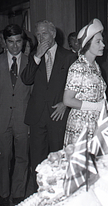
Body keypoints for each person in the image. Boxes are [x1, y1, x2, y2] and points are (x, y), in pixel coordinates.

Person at [21, 20, 76, 192]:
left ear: (53, 34)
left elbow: (76, 86)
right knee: (37, 162)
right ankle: (37, 196)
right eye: (37, 34)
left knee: (58, 160)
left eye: (44, 33)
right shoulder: (34, 56)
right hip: (37, 117)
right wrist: (37, 56)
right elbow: (26, 79)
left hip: (58, 116)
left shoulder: (68, 57)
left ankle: (59, 195)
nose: (40, 37)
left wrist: (65, 105)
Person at [0, 24, 31, 206]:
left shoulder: (31, 62)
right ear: (4, 42)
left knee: (22, 158)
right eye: (10, 42)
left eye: (18, 41)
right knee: (3, 157)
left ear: (23, 41)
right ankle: (3, 194)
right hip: (2, 119)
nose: (14, 46)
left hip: (23, 119)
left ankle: (18, 193)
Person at [63, 19, 107, 146]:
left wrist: (104, 106)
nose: (103, 45)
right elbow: (67, 100)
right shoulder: (78, 67)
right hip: (81, 126)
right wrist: (96, 107)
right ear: (87, 44)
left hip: (95, 122)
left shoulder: (95, 66)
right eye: (98, 42)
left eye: (102, 41)